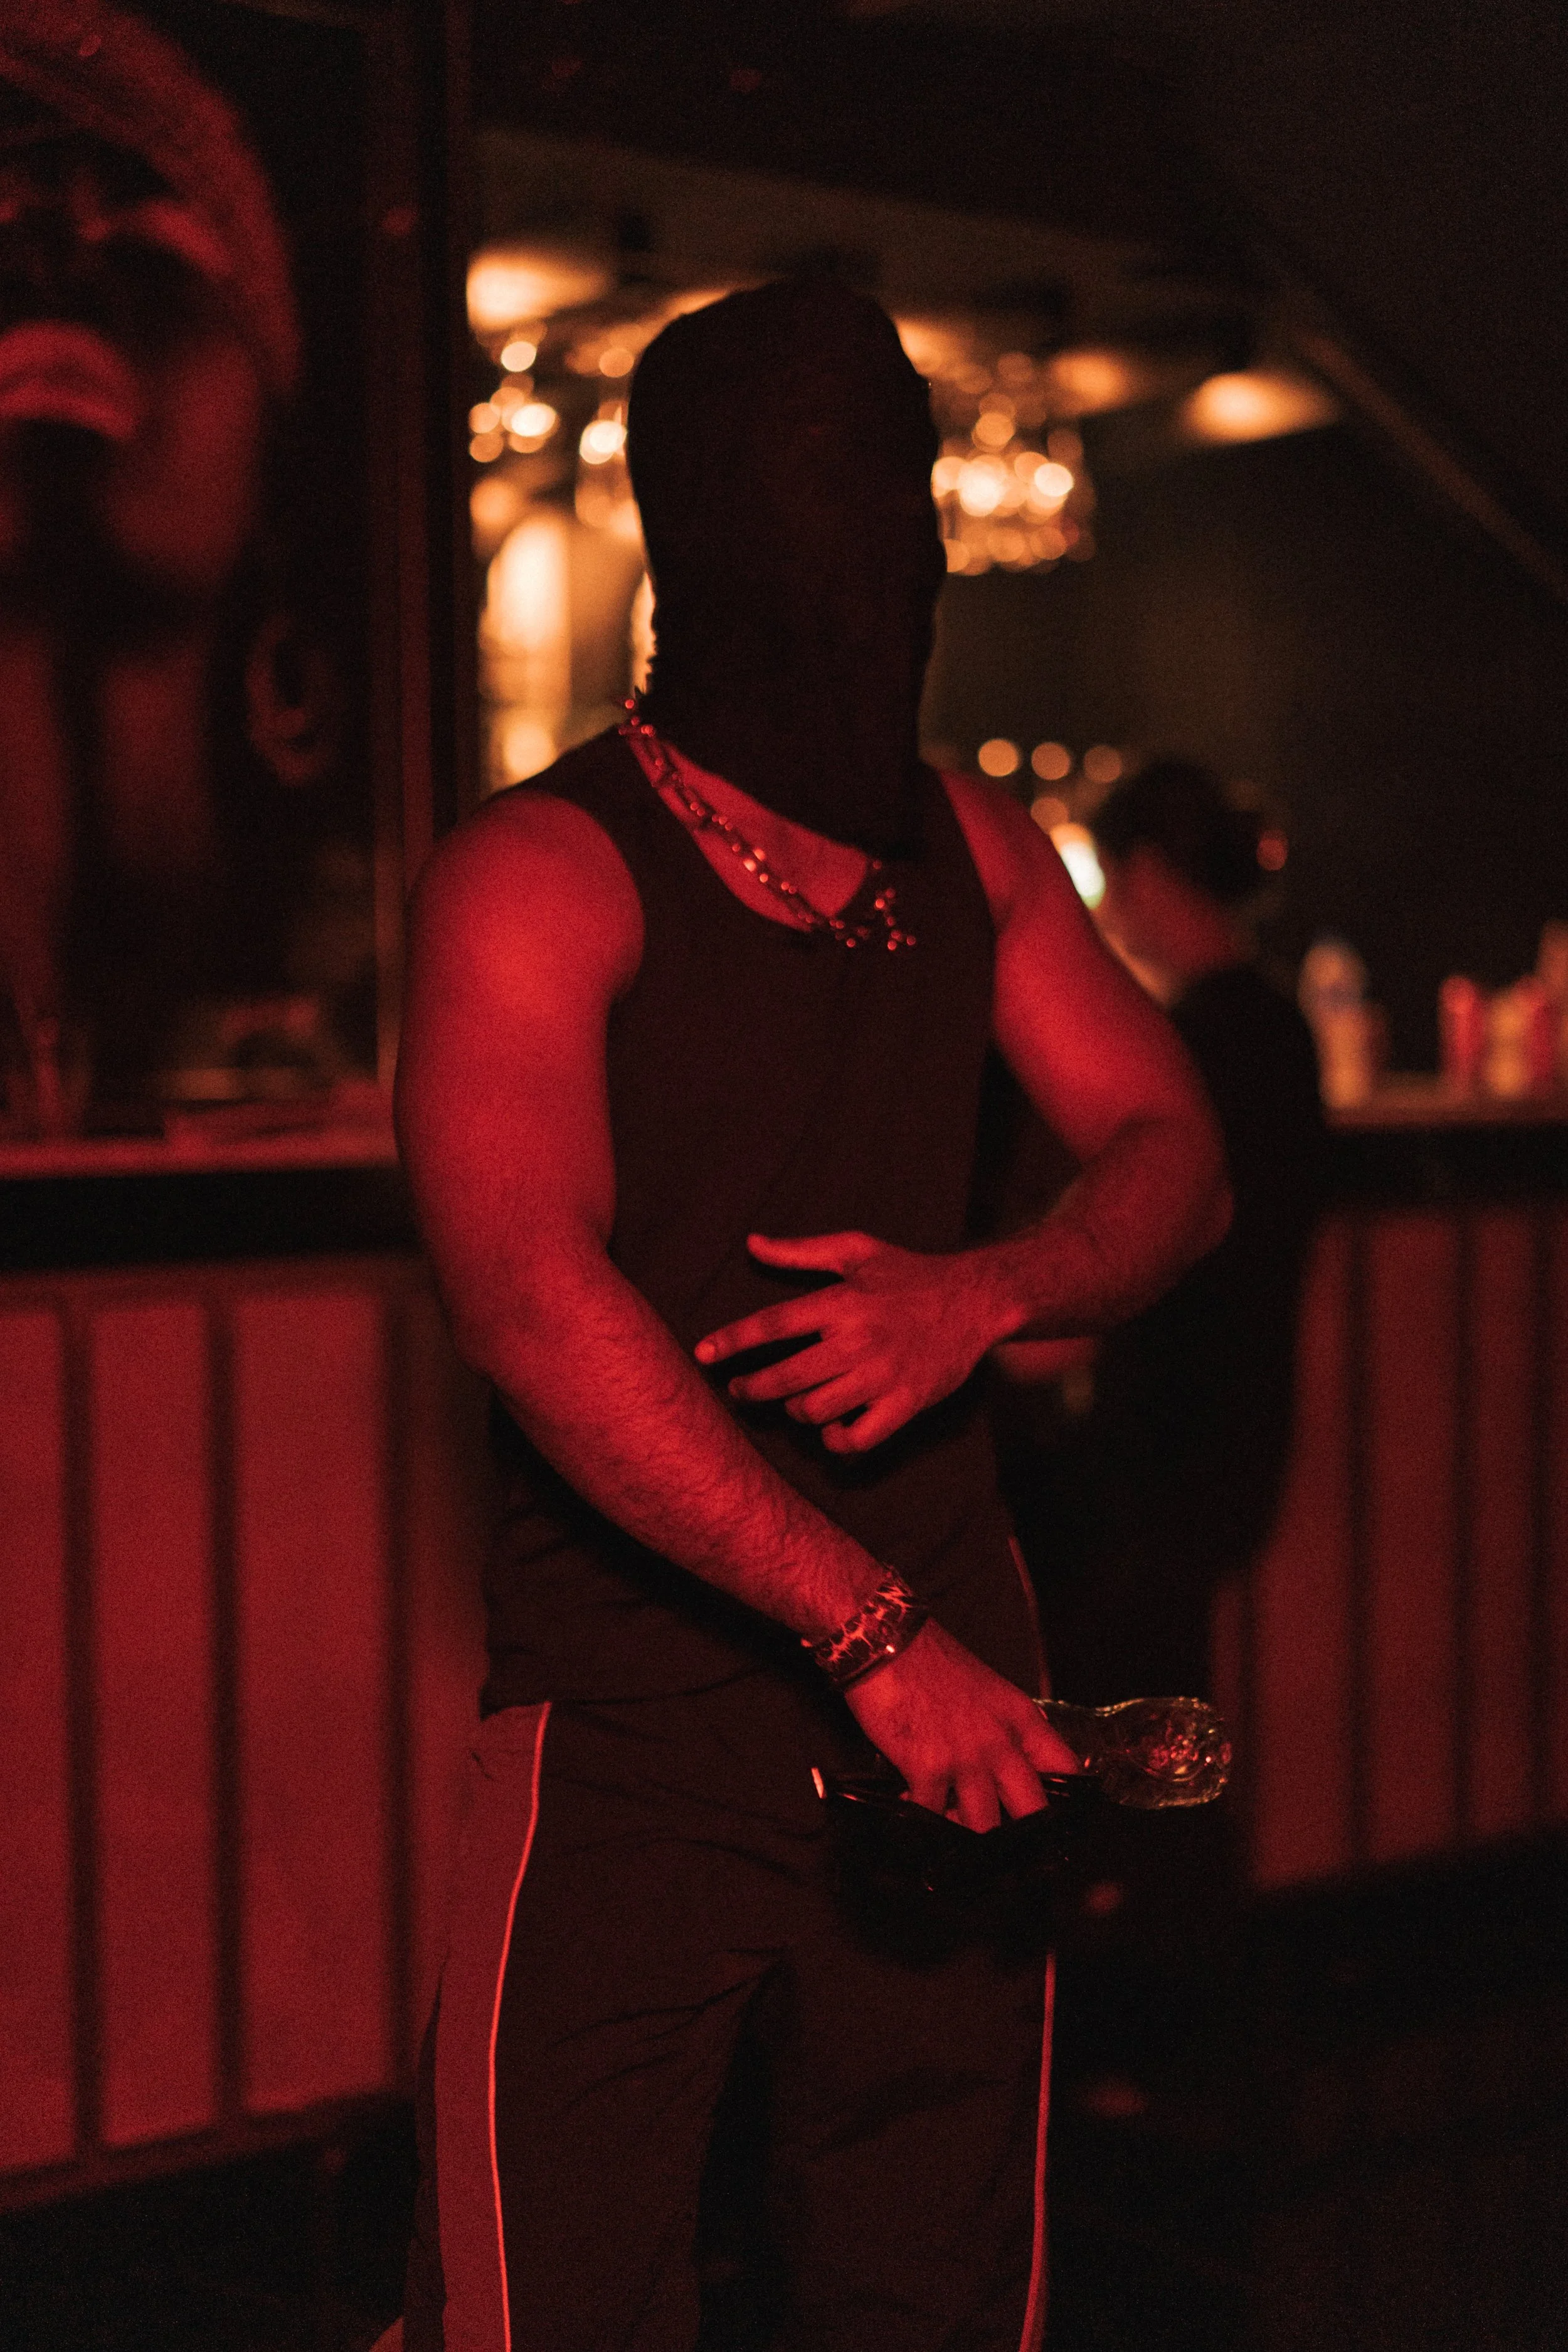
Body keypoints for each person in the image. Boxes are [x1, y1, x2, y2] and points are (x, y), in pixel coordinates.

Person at [393, 279, 1228, 2352]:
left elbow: (1175, 1154)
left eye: (900, 506)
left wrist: (989, 1290)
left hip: (956, 1719)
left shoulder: (974, 848)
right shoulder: (540, 875)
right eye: (834, 509)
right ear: (705, 539)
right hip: (633, 1721)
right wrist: (874, 1638)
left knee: (929, 2301)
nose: (887, 565)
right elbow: (524, 1302)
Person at [997, 758, 1328, 1714]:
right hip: (1241, 1423)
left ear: (1141, 873)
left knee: (1116, 1719)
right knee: (1169, 1720)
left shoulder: (1183, 1055)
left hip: (1154, 1442)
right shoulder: (1282, 1029)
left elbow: (1099, 1289)